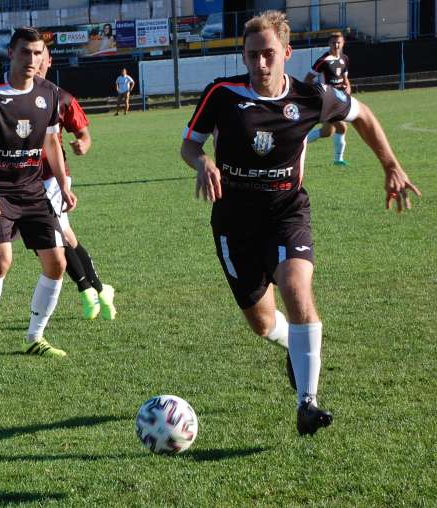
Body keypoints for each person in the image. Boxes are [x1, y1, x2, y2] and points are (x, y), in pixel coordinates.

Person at [180, 11, 421, 436]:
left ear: (286, 53)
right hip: (233, 221)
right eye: (252, 55)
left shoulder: (313, 97)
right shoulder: (220, 94)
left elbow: (362, 115)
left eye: (269, 54)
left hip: (287, 212)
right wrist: (202, 161)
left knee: (296, 288)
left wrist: (391, 166)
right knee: (262, 323)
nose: (260, 64)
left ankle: (307, 403)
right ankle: (295, 346)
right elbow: (189, 144)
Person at [0, 27, 76, 361]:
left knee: (56, 263)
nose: (32, 59)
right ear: (11, 53)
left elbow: (52, 142)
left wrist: (64, 184)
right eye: (25, 52)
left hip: (33, 190)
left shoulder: (50, 93)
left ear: (44, 56)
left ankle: (35, 336)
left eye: (38, 53)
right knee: (1, 263)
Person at [37, 44, 116, 321]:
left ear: (49, 61)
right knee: (62, 236)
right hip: (20, 181)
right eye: (30, 56)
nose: (35, 63)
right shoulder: (10, 98)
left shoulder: (62, 98)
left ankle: (86, 290)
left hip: (53, 178)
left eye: (40, 57)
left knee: (54, 235)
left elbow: (84, 133)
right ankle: (100, 288)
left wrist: (83, 143)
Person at [305, 32, 352, 166]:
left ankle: (299, 141)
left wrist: (347, 90)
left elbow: (346, 80)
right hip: (327, 101)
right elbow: (307, 79)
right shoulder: (323, 61)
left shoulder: (345, 59)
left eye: (339, 42)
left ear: (343, 43)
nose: (336, 45)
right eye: (333, 43)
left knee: (327, 132)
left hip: (339, 100)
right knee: (342, 127)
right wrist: (319, 93)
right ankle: (338, 160)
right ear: (329, 44)